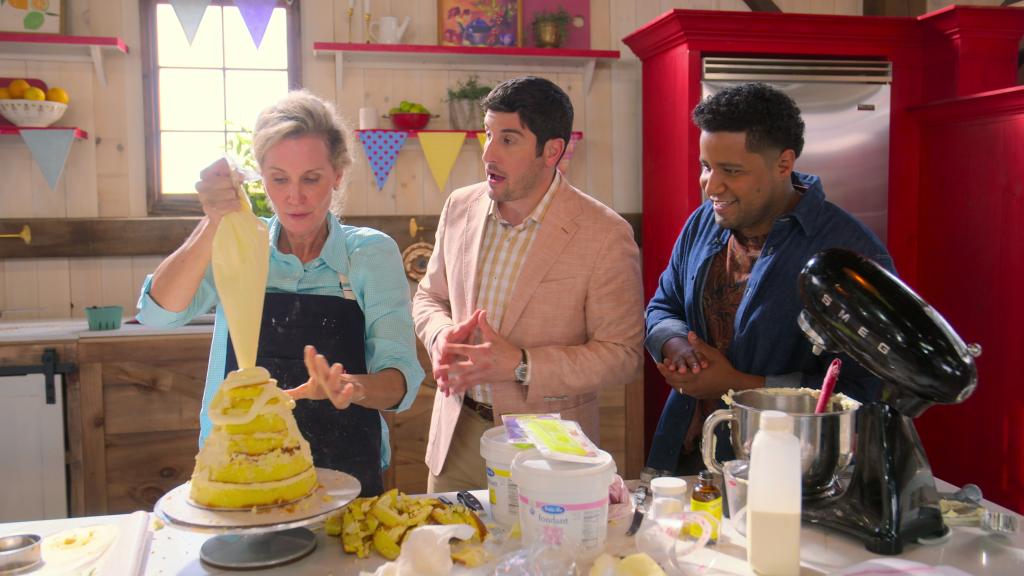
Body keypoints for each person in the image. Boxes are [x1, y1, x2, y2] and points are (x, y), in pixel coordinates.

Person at [136, 91, 424, 496]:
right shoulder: (240, 247)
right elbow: (157, 313)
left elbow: (400, 382)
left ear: (338, 173)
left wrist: (349, 388)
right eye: (279, 179)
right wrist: (214, 222)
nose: (295, 196)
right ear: (260, 177)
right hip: (238, 469)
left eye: (311, 178)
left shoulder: (369, 254)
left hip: (346, 476)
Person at [645, 82, 895, 474]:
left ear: (783, 164)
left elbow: (864, 390)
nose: (711, 185)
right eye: (705, 166)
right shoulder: (702, 224)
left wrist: (741, 385)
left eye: (732, 170)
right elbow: (664, 304)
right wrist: (676, 346)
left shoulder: (851, 256)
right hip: (688, 452)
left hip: (792, 471)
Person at [412, 76, 644, 492]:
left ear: (552, 151)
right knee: (447, 552)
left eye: (508, 139)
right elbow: (430, 297)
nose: (487, 154)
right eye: (487, 135)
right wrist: (441, 337)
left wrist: (521, 364)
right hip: (457, 435)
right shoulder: (460, 205)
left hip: (549, 450)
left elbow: (622, 355)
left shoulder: (606, 233)